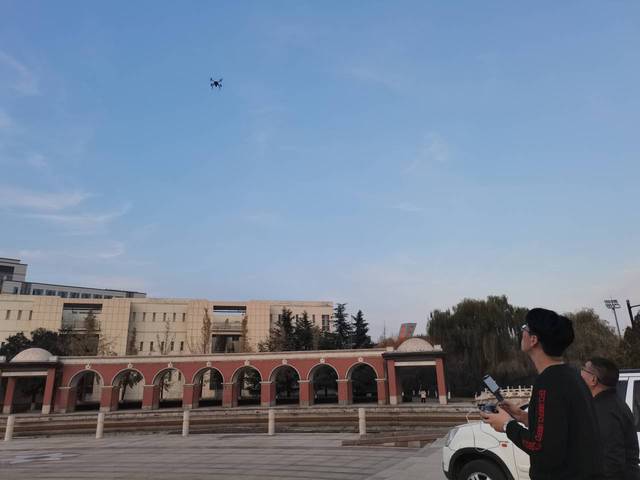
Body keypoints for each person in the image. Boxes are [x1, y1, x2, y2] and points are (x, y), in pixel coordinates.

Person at [481, 308, 603, 480]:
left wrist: (507, 425)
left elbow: (540, 447)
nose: (521, 332)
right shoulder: (572, 376)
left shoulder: (548, 383)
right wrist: (522, 416)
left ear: (533, 340)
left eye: (524, 327)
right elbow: (559, 429)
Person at [581, 357, 640, 480]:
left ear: (593, 379)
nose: (579, 374)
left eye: (583, 369)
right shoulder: (614, 404)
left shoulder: (604, 410)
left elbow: (611, 462)